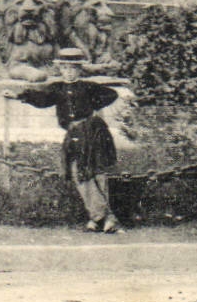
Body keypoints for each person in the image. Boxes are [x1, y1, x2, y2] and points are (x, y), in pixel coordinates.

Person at [7, 49, 122, 233]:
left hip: (92, 132)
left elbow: (111, 94)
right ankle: (103, 217)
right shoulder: (57, 88)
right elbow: (41, 98)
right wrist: (19, 96)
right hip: (73, 134)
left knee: (97, 173)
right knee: (78, 172)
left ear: (79, 70)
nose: (69, 72)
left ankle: (98, 219)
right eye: (65, 68)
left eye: (73, 68)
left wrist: (92, 107)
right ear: (60, 69)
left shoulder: (88, 86)